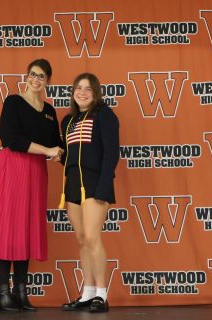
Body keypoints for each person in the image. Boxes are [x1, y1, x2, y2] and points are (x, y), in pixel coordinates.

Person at [0, 58, 63, 311]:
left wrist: (67, 153)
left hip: (37, 172)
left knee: (27, 228)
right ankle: (3, 293)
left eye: (41, 76)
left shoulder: (50, 111)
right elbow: (10, 138)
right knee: (8, 227)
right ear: (26, 76)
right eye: (33, 74)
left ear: (48, 81)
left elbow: (57, 144)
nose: (36, 79)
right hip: (14, 167)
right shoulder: (14, 102)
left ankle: (21, 292)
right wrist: (47, 149)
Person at [59, 73, 120, 313]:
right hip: (73, 184)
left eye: (88, 89)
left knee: (93, 239)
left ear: (95, 93)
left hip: (96, 183)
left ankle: (102, 295)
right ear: (73, 92)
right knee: (82, 240)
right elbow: (69, 155)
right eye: (78, 88)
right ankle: (88, 293)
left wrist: (104, 186)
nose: (82, 92)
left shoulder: (104, 115)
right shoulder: (68, 121)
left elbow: (111, 152)